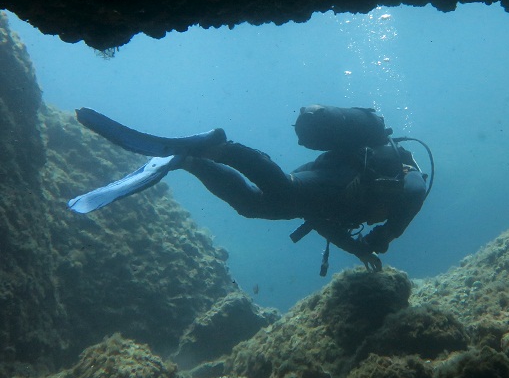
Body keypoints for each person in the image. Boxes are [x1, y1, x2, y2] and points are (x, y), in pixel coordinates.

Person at [67, 106, 431, 274]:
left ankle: (189, 161)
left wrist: (359, 249)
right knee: (286, 192)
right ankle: (220, 147)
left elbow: (323, 221)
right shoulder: (402, 176)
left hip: (322, 190)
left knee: (254, 206)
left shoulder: (369, 199)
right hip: (329, 179)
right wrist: (386, 236)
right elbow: (417, 191)